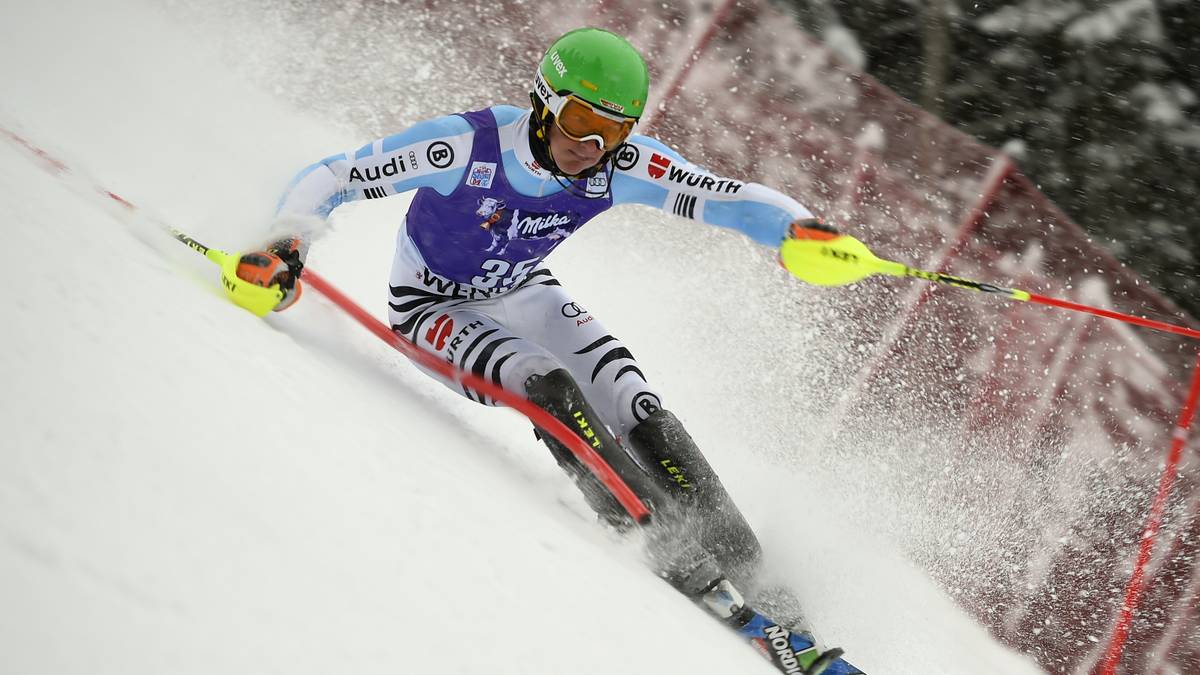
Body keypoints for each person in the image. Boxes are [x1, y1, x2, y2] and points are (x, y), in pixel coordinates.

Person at [238, 26, 844, 669]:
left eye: (612, 132)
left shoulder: (620, 166)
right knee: (548, 387)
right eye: (580, 120)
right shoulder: (465, 144)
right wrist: (285, 246)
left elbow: (723, 197)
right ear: (543, 101)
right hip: (432, 308)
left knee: (634, 401)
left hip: (524, 291)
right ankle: (668, 544)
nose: (590, 147)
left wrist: (797, 229)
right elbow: (336, 175)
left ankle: (753, 574)